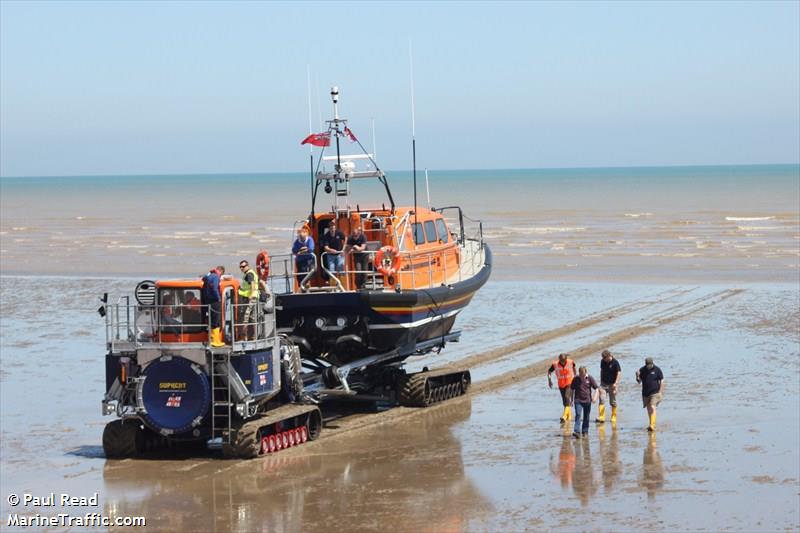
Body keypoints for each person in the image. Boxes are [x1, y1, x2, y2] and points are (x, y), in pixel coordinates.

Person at [636, 357, 664, 432]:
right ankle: (651, 424)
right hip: (645, 393)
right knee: (648, 409)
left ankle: (652, 425)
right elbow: (639, 381)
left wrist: (660, 391)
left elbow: (662, 381)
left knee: (652, 406)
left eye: (650, 365)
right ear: (646, 364)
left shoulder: (657, 369)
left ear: (652, 363)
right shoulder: (642, 370)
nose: (649, 366)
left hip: (655, 392)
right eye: (647, 365)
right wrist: (637, 376)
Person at [570, 366, 599, 438]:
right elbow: (572, 389)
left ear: (585, 372)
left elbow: (597, 388)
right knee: (578, 414)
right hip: (578, 400)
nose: (581, 376)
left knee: (586, 416)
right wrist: (571, 400)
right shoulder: (576, 378)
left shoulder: (590, 378)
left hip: (587, 400)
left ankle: (585, 431)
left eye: (582, 374)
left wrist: (595, 397)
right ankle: (577, 431)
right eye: (580, 374)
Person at [548, 353, 577, 423]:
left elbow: (574, 368)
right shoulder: (555, 364)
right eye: (561, 360)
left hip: (570, 383)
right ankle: (569, 416)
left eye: (563, 360)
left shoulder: (571, 362)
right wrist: (549, 380)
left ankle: (564, 416)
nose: (562, 362)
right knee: (565, 401)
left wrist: (575, 377)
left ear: (566, 359)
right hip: (561, 384)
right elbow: (549, 371)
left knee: (567, 397)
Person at [596, 349, 622, 424]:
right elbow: (601, 370)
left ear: (609, 356)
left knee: (612, 401)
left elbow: (619, 373)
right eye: (603, 358)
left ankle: (613, 416)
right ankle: (601, 416)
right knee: (601, 399)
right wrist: (600, 381)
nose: (604, 360)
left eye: (605, 358)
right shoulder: (602, 361)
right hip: (603, 384)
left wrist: (616, 383)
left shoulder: (615, 362)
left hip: (612, 384)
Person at [201, 266, 225, 347]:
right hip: (214, 301)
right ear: (220, 271)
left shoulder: (208, 276)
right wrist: (218, 298)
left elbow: (203, 279)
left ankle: (215, 339)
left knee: (212, 319)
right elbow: (214, 288)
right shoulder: (215, 277)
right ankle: (215, 341)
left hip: (208, 301)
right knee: (216, 320)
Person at [238, 259, 260, 341]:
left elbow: (253, 285)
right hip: (254, 297)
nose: (242, 268)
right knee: (252, 318)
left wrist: (250, 295)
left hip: (250, 298)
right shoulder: (251, 273)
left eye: (243, 266)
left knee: (245, 318)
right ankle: (253, 337)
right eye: (240, 267)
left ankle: (244, 337)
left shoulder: (249, 274)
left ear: (247, 266)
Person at [321, 219, 346, 287]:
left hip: (339, 254)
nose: (332, 229)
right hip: (331, 255)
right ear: (329, 228)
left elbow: (345, 238)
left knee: (341, 270)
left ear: (335, 227)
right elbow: (326, 248)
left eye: (333, 227)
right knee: (332, 271)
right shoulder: (326, 236)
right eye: (331, 228)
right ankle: (333, 287)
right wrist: (331, 250)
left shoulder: (339, 233)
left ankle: (343, 286)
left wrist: (343, 249)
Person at [346, 224, 368, 289]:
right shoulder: (350, 238)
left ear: (359, 234)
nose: (355, 237)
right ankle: (358, 286)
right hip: (357, 256)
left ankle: (364, 285)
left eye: (356, 236)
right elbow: (348, 247)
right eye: (354, 235)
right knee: (358, 271)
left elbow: (362, 248)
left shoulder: (363, 237)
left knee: (364, 272)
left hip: (364, 255)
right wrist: (350, 249)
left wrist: (356, 247)